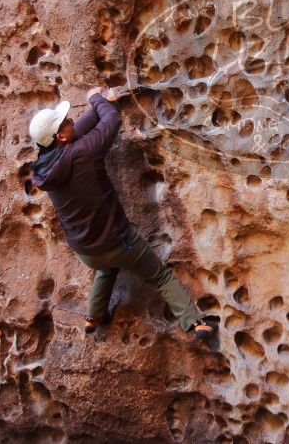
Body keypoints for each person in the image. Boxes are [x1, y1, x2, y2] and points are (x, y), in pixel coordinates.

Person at [27, 86, 216, 339]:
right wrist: (94, 97)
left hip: (86, 250)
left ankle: (94, 317)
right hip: (118, 241)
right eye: (67, 122)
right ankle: (193, 322)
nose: (72, 122)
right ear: (60, 136)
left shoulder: (46, 165)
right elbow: (111, 121)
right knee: (160, 276)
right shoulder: (82, 152)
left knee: (106, 268)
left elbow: (79, 129)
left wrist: (101, 102)